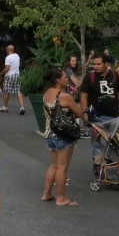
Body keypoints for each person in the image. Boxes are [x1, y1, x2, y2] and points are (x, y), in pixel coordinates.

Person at [78, 53, 119, 173]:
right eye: (94, 64)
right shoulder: (90, 77)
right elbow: (83, 95)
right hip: (96, 117)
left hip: (114, 116)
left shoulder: (114, 75)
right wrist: (85, 113)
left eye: (98, 64)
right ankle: (99, 172)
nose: (95, 66)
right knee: (98, 146)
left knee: (115, 145)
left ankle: (112, 171)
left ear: (106, 64)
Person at [41, 68, 83, 207]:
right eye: (65, 77)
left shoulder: (47, 92)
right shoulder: (63, 96)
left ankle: (46, 193)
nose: (67, 79)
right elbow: (79, 113)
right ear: (58, 80)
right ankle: (61, 198)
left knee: (54, 165)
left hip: (50, 134)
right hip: (63, 135)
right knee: (62, 167)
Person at [0, 44, 26, 114]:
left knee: (6, 91)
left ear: (8, 50)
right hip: (17, 75)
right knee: (18, 91)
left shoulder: (8, 58)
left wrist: (2, 73)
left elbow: (7, 68)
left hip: (9, 75)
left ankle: (5, 106)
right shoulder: (17, 56)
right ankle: (22, 107)